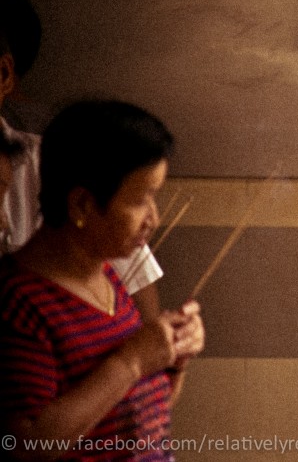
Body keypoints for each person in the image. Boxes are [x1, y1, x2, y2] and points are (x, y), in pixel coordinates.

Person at [0, 99, 205, 461]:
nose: (153, 218)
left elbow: (135, 414)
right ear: (81, 205)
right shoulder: (19, 300)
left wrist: (172, 358)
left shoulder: (109, 279)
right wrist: (132, 363)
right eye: (141, 200)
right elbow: (26, 445)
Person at [0, 0, 164, 320]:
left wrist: (159, 355)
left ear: (4, 75)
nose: (154, 218)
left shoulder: (52, 159)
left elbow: (142, 316)